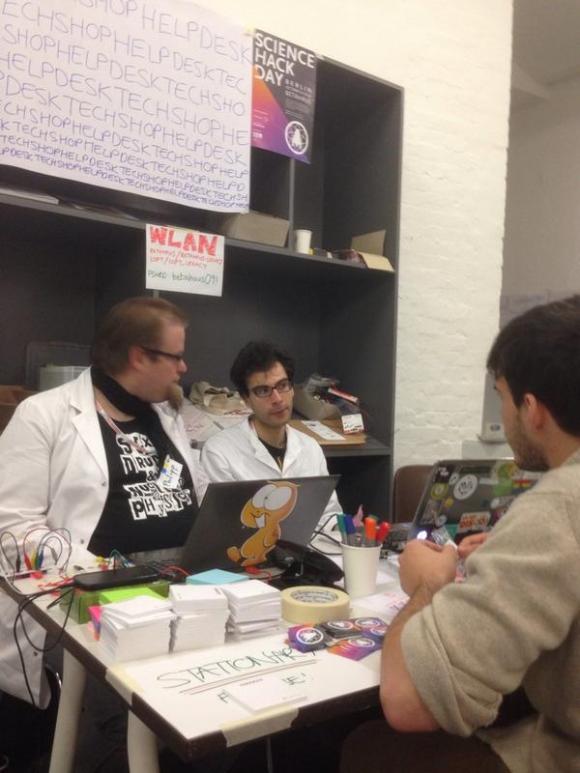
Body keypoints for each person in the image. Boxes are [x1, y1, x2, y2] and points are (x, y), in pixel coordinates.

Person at [342, 295, 580, 773]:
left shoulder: (559, 506)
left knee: (370, 748)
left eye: (501, 395)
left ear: (532, 408)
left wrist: (427, 584)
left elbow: (407, 702)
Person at [0, 296, 207, 709]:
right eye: (176, 357)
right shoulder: (43, 415)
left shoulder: (165, 417)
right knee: (142, 716)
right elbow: (12, 530)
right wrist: (109, 572)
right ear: (139, 357)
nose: (184, 368)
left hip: (185, 593)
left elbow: (196, 495)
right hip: (91, 605)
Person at [201, 341, 341, 527]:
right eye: (263, 390)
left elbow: (330, 516)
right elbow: (226, 529)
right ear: (246, 399)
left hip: (311, 546)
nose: (277, 399)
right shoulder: (219, 452)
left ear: (292, 389)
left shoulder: (311, 448)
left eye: (282, 385)